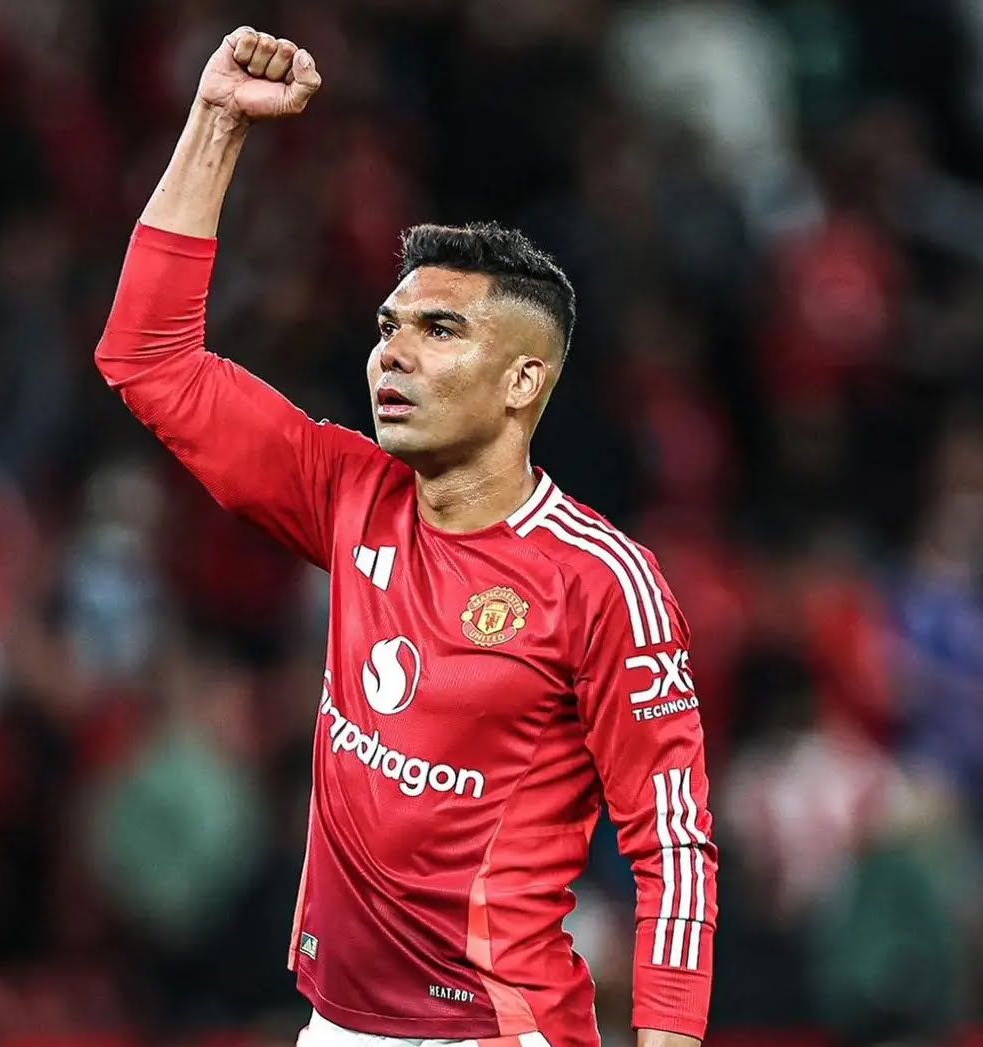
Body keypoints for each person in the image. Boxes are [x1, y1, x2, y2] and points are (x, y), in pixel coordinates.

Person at [95, 26, 717, 1047]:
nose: (393, 353)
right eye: (389, 326)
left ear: (524, 380)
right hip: (336, 1024)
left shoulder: (601, 580)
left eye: (439, 330)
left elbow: (675, 847)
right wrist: (214, 122)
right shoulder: (349, 492)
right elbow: (148, 357)